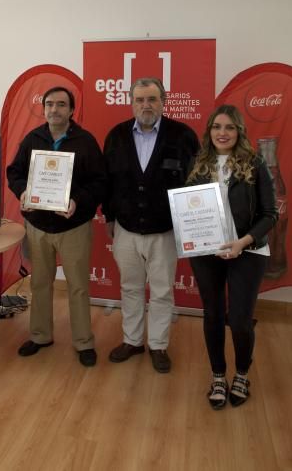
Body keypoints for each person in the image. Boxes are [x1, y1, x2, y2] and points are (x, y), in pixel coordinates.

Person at [103, 78, 199, 372]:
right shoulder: (116, 136)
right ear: (131, 102)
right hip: (127, 230)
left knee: (161, 291)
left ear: (164, 101)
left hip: (166, 231)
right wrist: (109, 216)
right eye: (140, 99)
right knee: (130, 288)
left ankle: (158, 345)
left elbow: (195, 181)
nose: (146, 105)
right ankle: (132, 341)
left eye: (152, 99)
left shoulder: (183, 136)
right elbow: (108, 181)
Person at [7, 86, 106, 367]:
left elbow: (100, 182)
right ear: (44, 108)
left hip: (73, 225)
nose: (54, 109)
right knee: (39, 283)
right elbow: (15, 172)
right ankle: (40, 336)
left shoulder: (86, 141)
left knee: (77, 286)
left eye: (61, 105)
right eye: (49, 104)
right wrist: (23, 193)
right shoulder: (33, 138)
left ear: (71, 110)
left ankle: (83, 341)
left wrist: (77, 201)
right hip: (38, 225)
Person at [186, 104, 278, 409]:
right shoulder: (198, 163)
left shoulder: (255, 163)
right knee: (212, 315)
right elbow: (187, 207)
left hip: (248, 250)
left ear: (239, 132)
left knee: (239, 320)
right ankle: (217, 375)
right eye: (216, 127)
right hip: (207, 251)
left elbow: (269, 214)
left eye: (228, 127)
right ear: (209, 131)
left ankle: (241, 373)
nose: (222, 133)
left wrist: (242, 242)